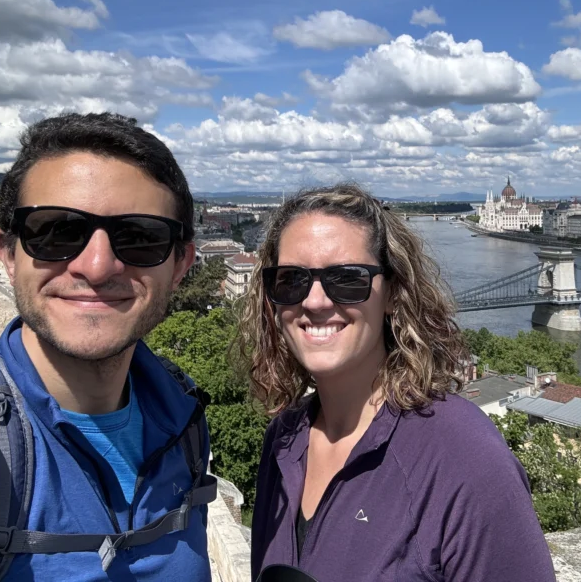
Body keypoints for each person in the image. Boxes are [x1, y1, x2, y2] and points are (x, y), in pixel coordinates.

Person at [0, 112, 217, 581]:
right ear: (8, 253)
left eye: (139, 237)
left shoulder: (181, 418)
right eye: (56, 232)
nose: (97, 265)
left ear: (181, 262)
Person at [239, 184, 557, 581]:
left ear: (392, 293)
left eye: (347, 278)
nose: (315, 302)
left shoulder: (464, 457)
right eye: (290, 280)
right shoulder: (284, 439)